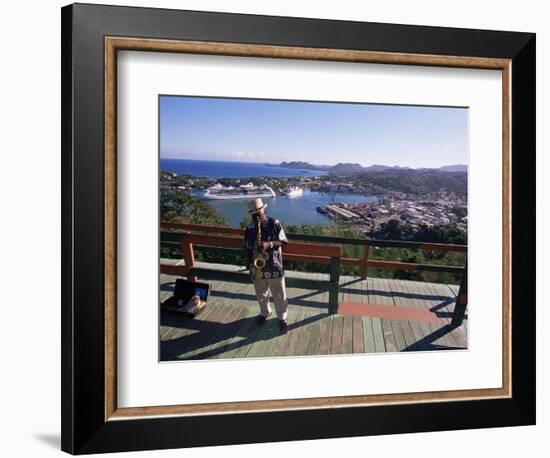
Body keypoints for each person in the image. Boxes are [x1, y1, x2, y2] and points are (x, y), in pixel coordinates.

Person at [243, 198, 289, 330]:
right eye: (254, 213)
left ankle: (282, 317)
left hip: (274, 266)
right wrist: (250, 265)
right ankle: (265, 312)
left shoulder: (274, 223)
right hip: (257, 267)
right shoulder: (250, 228)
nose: (257, 215)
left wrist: (268, 244)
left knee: (279, 294)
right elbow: (246, 247)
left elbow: (284, 241)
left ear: (264, 209)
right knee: (261, 293)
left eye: (259, 211)